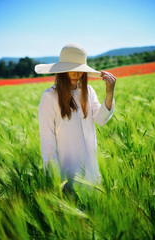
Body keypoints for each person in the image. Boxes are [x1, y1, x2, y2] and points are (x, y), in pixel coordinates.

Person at [35, 43, 116, 190]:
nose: (76, 73)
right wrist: (55, 180)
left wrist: (109, 93)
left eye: (79, 69)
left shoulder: (88, 91)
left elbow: (101, 119)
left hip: (91, 171)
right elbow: (48, 142)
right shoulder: (49, 97)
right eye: (70, 68)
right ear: (62, 71)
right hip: (67, 176)